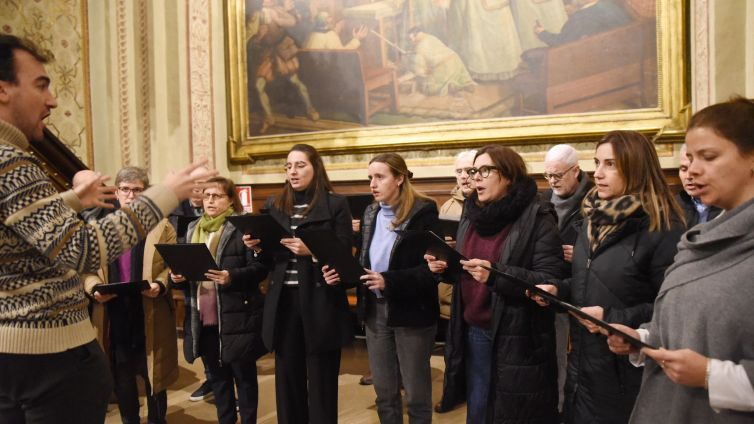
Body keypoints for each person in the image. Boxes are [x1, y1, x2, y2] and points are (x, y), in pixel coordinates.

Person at [0, 34, 214, 423]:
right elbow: (84, 249)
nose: (52, 101)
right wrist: (166, 194)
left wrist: (66, 201)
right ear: (3, 90)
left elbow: (13, 227)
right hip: (47, 355)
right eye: (40, 85)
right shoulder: (11, 162)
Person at [606, 97, 754, 423]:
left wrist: (710, 375)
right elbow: (682, 322)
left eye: (709, 157)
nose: (693, 169)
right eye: (691, 157)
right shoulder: (702, 239)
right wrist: (642, 339)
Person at [534, 130, 685, 424]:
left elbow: (673, 309)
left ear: (637, 168)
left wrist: (612, 316)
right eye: (597, 162)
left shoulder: (663, 227)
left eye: (611, 164)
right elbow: (589, 282)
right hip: (583, 364)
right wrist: (558, 290)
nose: (598, 173)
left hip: (628, 370)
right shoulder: (591, 220)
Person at [427, 145, 566, 423]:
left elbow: (549, 279)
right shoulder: (472, 212)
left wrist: (496, 275)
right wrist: (444, 267)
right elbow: (467, 269)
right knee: (478, 409)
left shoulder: (538, 216)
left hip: (518, 333)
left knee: (512, 413)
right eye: (474, 171)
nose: (475, 177)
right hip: (472, 329)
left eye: (485, 170)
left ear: (509, 175)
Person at [244, 144, 353, 424]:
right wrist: (256, 247)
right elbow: (269, 260)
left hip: (320, 300)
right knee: (288, 379)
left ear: (315, 168)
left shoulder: (335, 205)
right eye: (288, 166)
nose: (293, 171)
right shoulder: (274, 205)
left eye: (300, 165)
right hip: (284, 302)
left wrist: (313, 251)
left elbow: (344, 254)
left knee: (321, 380)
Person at [343, 152, 439, 423]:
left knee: (416, 393)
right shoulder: (371, 211)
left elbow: (430, 272)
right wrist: (342, 272)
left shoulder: (424, 211)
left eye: (380, 177)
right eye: (370, 177)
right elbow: (363, 258)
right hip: (375, 310)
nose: (372, 184)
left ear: (399, 178)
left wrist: (389, 281)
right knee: (384, 391)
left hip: (411, 311)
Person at [82, 167, 178, 424]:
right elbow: (86, 269)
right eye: (125, 189)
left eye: (137, 190)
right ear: (116, 192)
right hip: (113, 310)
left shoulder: (162, 226)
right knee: (121, 374)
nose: (131, 195)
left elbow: (172, 265)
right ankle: (130, 420)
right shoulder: (101, 227)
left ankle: (158, 420)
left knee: (153, 374)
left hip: (148, 308)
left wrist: (160, 283)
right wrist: (93, 289)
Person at [171, 176, 268, 424]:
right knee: (218, 378)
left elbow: (261, 268)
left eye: (217, 196)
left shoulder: (242, 227)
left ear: (230, 200)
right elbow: (184, 268)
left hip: (236, 315)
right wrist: (177, 276)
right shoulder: (193, 228)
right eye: (206, 195)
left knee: (243, 377)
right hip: (202, 314)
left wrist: (230, 277)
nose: (210, 200)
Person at [541, 143, 593, 413]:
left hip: (584, 289)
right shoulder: (542, 200)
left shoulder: (595, 199)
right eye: (548, 175)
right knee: (555, 356)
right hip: (551, 286)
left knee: (583, 358)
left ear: (576, 170)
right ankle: (557, 410)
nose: (552, 182)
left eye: (558, 175)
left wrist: (583, 254)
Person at [434, 149, 475, 413]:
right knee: (454, 350)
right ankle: (454, 392)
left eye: (469, 171)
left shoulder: (488, 203)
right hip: (451, 289)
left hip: (476, 286)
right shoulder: (448, 206)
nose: (463, 177)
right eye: (458, 171)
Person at [248, 0, 319, 133]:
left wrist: (279, 16)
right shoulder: (257, 15)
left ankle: (310, 108)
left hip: (281, 50)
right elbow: (249, 38)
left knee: (295, 81)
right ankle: (269, 118)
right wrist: (258, 37)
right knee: (259, 86)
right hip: (267, 53)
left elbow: (292, 22)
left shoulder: (279, 10)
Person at [407, 27, 475, 96]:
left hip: (442, 66)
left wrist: (417, 71)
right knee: (456, 77)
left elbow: (419, 69)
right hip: (454, 58)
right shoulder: (431, 37)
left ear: (417, 35)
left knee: (430, 89)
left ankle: (451, 87)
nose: (412, 41)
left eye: (412, 38)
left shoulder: (419, 47)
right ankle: (462, 84)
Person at [534, 0, 632, 46]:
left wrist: (542, 33)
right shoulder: (608, 4)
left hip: (596, 66)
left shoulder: (579, 18)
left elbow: (561, 44)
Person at [675, 143, 722, 228]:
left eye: (695, 169)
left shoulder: (730, 205)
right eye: (684, 169)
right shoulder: (671, 207)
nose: (688, 176)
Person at [303, 11, 368, 49]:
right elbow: (343, 54)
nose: (332, 18)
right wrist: (356, 39)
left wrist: (335, 33)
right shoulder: (330, 35)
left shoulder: (311, 35)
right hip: (326, 70)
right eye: (329, 17)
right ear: (327, 21)